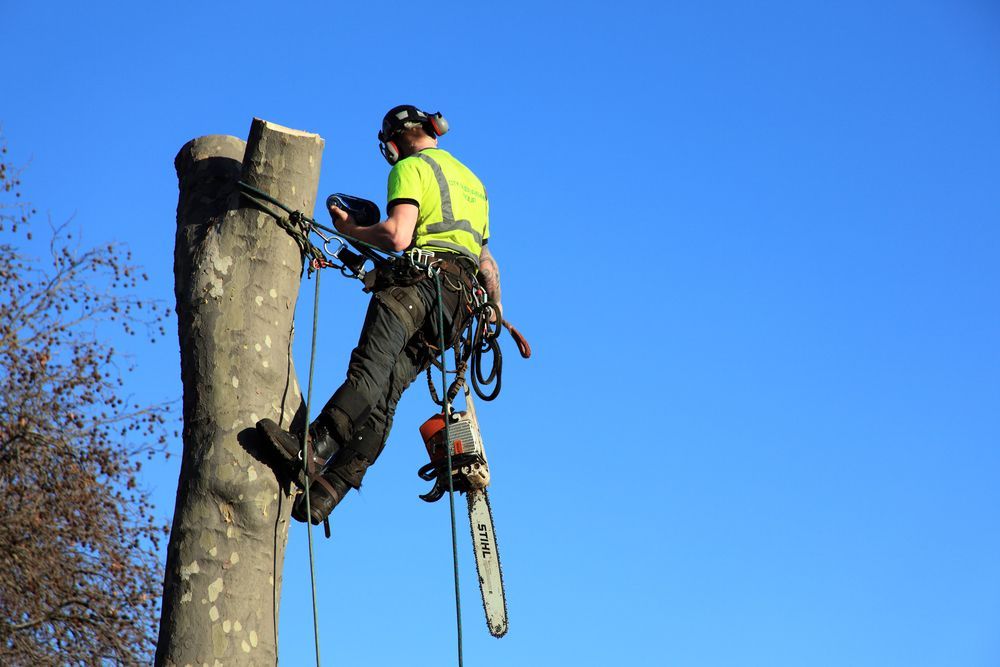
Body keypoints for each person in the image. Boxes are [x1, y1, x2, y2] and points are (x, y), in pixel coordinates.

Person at [257, 105, 502, 524]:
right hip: (457, 310)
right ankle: (331, 489)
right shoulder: (475, 184)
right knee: (386, 395)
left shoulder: (411, 167)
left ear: (398, 137)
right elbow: (488, 264)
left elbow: (397, 235)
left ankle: (311, 449)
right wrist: (493, 313)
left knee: (370, 372)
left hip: (417, 289)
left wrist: (351, 230)